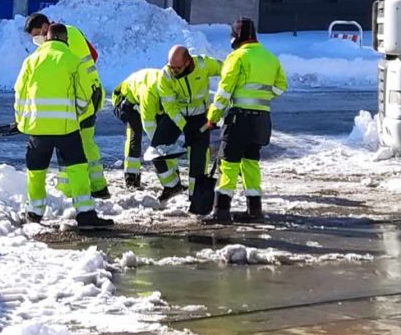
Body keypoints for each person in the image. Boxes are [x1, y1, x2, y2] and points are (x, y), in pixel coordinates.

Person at [14, 24, 113, 229]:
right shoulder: (72, 60)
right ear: (65, 40)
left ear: (47, 38)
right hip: (66, 128)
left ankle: (34, 212)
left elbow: (20, 93)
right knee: (77, 168)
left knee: (36, 171)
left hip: (37, 128)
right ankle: (85, 214)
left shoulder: (30, 61)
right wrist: (77, 116)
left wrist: (23, 122)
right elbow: (84, 96)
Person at [203, 18, 287, 224]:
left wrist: (212, 118)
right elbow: (280, 86)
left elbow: (223, 93)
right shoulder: (270, 58)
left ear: (235, 38)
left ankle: (221, 211)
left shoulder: (236, 58)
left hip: (239, 119)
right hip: (262, 120)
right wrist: (262, 99)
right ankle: (254, 209)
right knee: (251, 163)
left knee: (228, 163)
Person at [158, 46, 223, 192]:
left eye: (177, 68)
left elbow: (226, 70)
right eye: (171, 67)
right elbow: (169, 107)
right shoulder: (166, 75)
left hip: (200, 117)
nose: (173, 71)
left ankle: (195, 195)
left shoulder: (203, 64)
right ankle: (172, 186)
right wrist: (184, 126)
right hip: (177, 116)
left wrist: (225, 96)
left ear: (187, 62)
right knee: (157, 150)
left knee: (198, 158)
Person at [111, 68, 184, 199]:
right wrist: (158, 146)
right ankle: (131, 178)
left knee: (167, 140)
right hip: (126, 101)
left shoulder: (172, 88)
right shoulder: (149, 93)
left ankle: (174, 179)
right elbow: (149, 124)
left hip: (148, 100)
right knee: (136, 133)